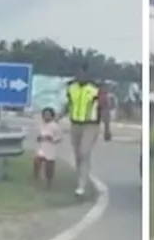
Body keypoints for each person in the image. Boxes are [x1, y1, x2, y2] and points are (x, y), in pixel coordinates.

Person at [60, 63, 112, 199]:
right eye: (78, 74)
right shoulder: (71, 88)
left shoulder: (95, 90)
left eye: (83, 74)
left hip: (91, 125)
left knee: (84, 152)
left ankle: (81, 186)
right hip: (75, 124)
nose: (80, 76)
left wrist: (107, 129)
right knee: (78, 155)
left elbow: (105, 109)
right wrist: (59, 116)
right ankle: (82, 179)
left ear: (88, 75)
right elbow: (69, 104)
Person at [34, 107, 61, 190]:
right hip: (42, 147)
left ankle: (49, 183)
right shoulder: (41, 125)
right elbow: (38, 136)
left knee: (49, 168)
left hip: (50, 148)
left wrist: (51, 139)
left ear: (52, 116)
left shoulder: (55, 126)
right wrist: (39, 138)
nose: (46, 116)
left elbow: (59, 137)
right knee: (36, 162)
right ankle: (36, 178)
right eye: (45, 115)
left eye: (48, 115)